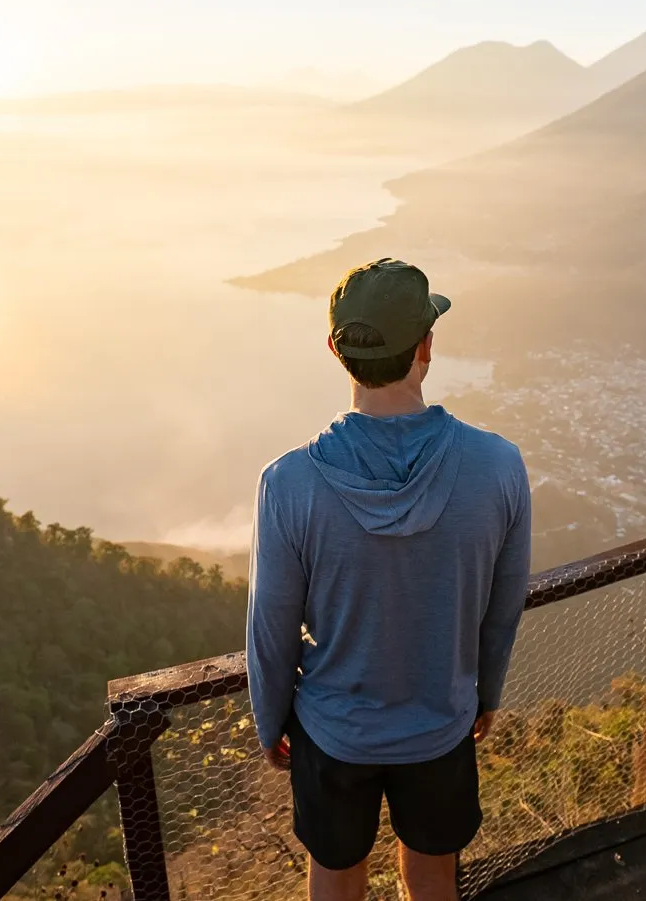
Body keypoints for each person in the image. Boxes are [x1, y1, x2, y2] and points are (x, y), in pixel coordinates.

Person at [247, 258, 532, 901]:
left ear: (335, 350)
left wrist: (271, 723)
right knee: (432, 875)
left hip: (332, 731)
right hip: (440, 723)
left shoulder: (288, 485)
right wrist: (485, 694)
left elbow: (270, 628)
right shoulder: (499, 467)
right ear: (426, 346)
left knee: (337, 874)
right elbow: (504, 605)